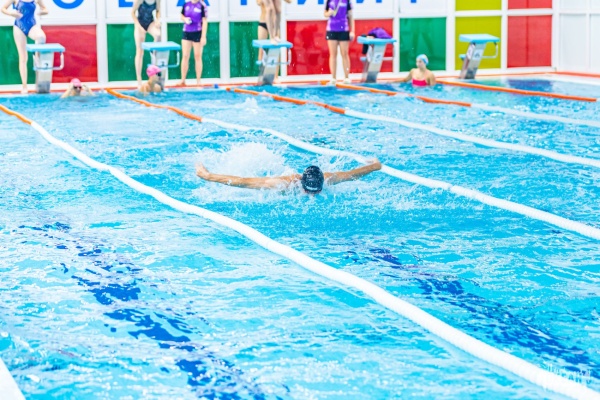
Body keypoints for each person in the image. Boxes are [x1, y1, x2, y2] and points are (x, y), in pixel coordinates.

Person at [195, 159, 381, 195]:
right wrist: (208, 176)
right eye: (309, 191)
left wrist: (375, 166)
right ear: (302, 184)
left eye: (315, 192)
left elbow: (353, 174)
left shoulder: (329, 178)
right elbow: (244, 182)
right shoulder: (283, 184)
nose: (311, 196)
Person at [1, 0, 48, 94]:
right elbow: (2, 8)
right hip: (19, 26)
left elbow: (45, 9)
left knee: (41, 37)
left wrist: (42, 12)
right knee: (23, 58)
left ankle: (37, 59)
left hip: (32, 25)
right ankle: (24, 86)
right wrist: (11, 13)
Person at [131, 0, 161, 88]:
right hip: (140, 23)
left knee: (158, 35)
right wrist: (138, 25)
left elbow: (158, 11)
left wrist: (157, 20)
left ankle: (153, 54)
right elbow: (132, 13)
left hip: (150, 23)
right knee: (140, 52)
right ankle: (139, 80)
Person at [324, 0, 355, 85]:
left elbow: (351, 16)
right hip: (331, 29)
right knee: (333, 54)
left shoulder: (346, 1)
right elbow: (325, 14)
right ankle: (333, 78)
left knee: (344, 53)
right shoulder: (329, 1)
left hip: (343, 29)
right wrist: (329, 13)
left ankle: (347, 77)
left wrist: (352, 31)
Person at [179, 0, 208, 86]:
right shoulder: (186, 4)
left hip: (197, 32)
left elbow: (205, 21)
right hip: (186, 32)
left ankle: (198, 81)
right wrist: (184, 19)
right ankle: (183, 80)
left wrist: (203, 36)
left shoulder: (202, 5)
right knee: (185, 56)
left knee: (197, 56)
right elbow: (181, 15)